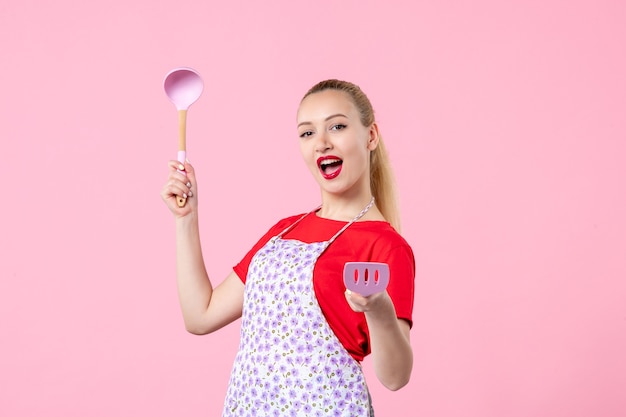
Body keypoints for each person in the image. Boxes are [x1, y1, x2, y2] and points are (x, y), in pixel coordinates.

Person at [161, 79, 415, 416]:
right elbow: (200, 315)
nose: (321, 143)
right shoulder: (284, 231)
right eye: (307, 133)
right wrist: (186, 218)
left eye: (337, 126)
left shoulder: (385, 245)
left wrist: (379, 308)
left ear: (370, 136)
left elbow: (396, 377)